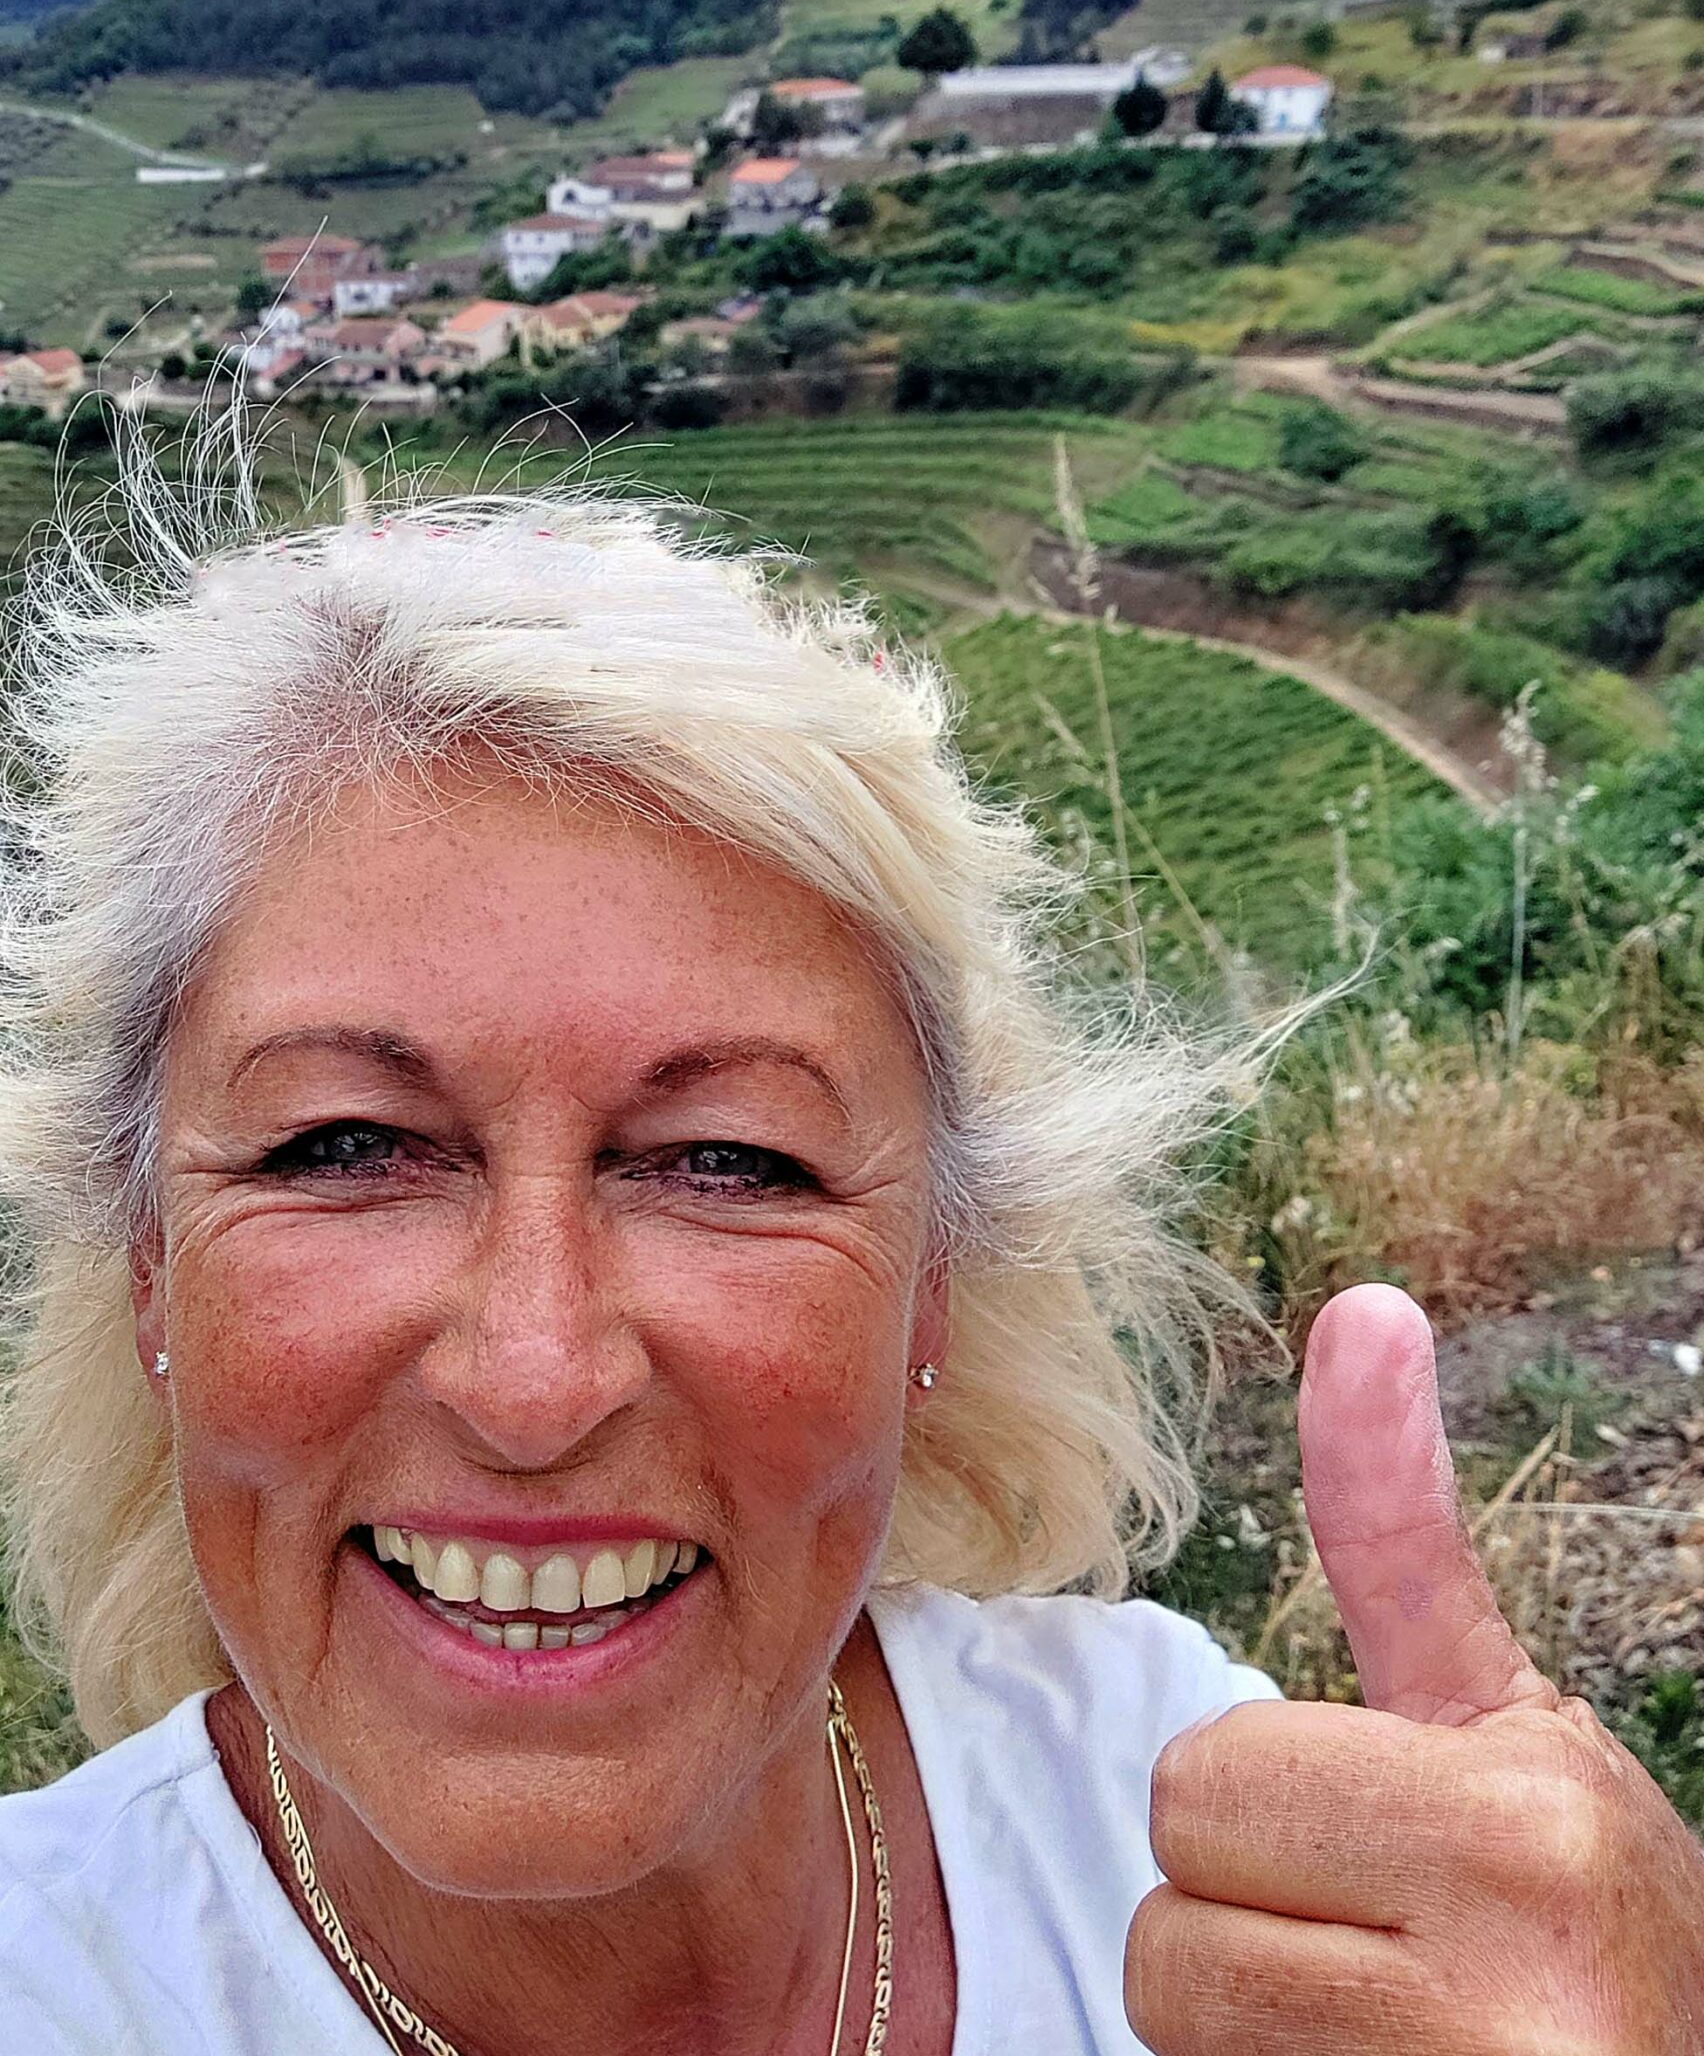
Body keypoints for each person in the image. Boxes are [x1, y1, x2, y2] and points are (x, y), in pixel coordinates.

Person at [0, 451, 1698, 2055]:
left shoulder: (1154, 1793)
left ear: (930, 1283)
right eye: (342, 1148)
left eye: (732, 1161)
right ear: (150, 1263)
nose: (535, 1379)